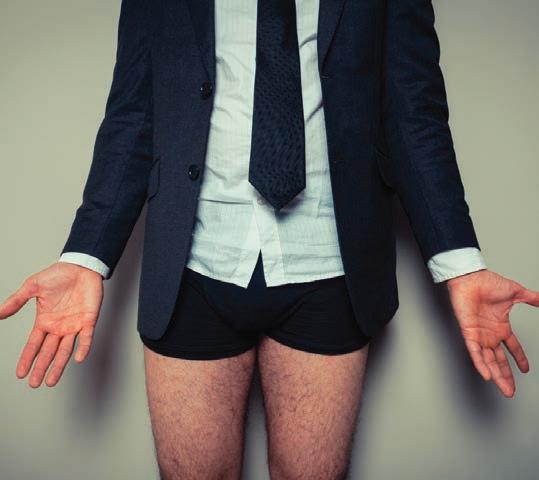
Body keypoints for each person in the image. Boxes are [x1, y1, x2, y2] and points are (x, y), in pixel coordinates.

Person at [1, 0, 538, 478]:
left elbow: (414, 117)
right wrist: (86, 255)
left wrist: (460, 263)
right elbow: (133, 114)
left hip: (331, 264)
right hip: (192, 263)